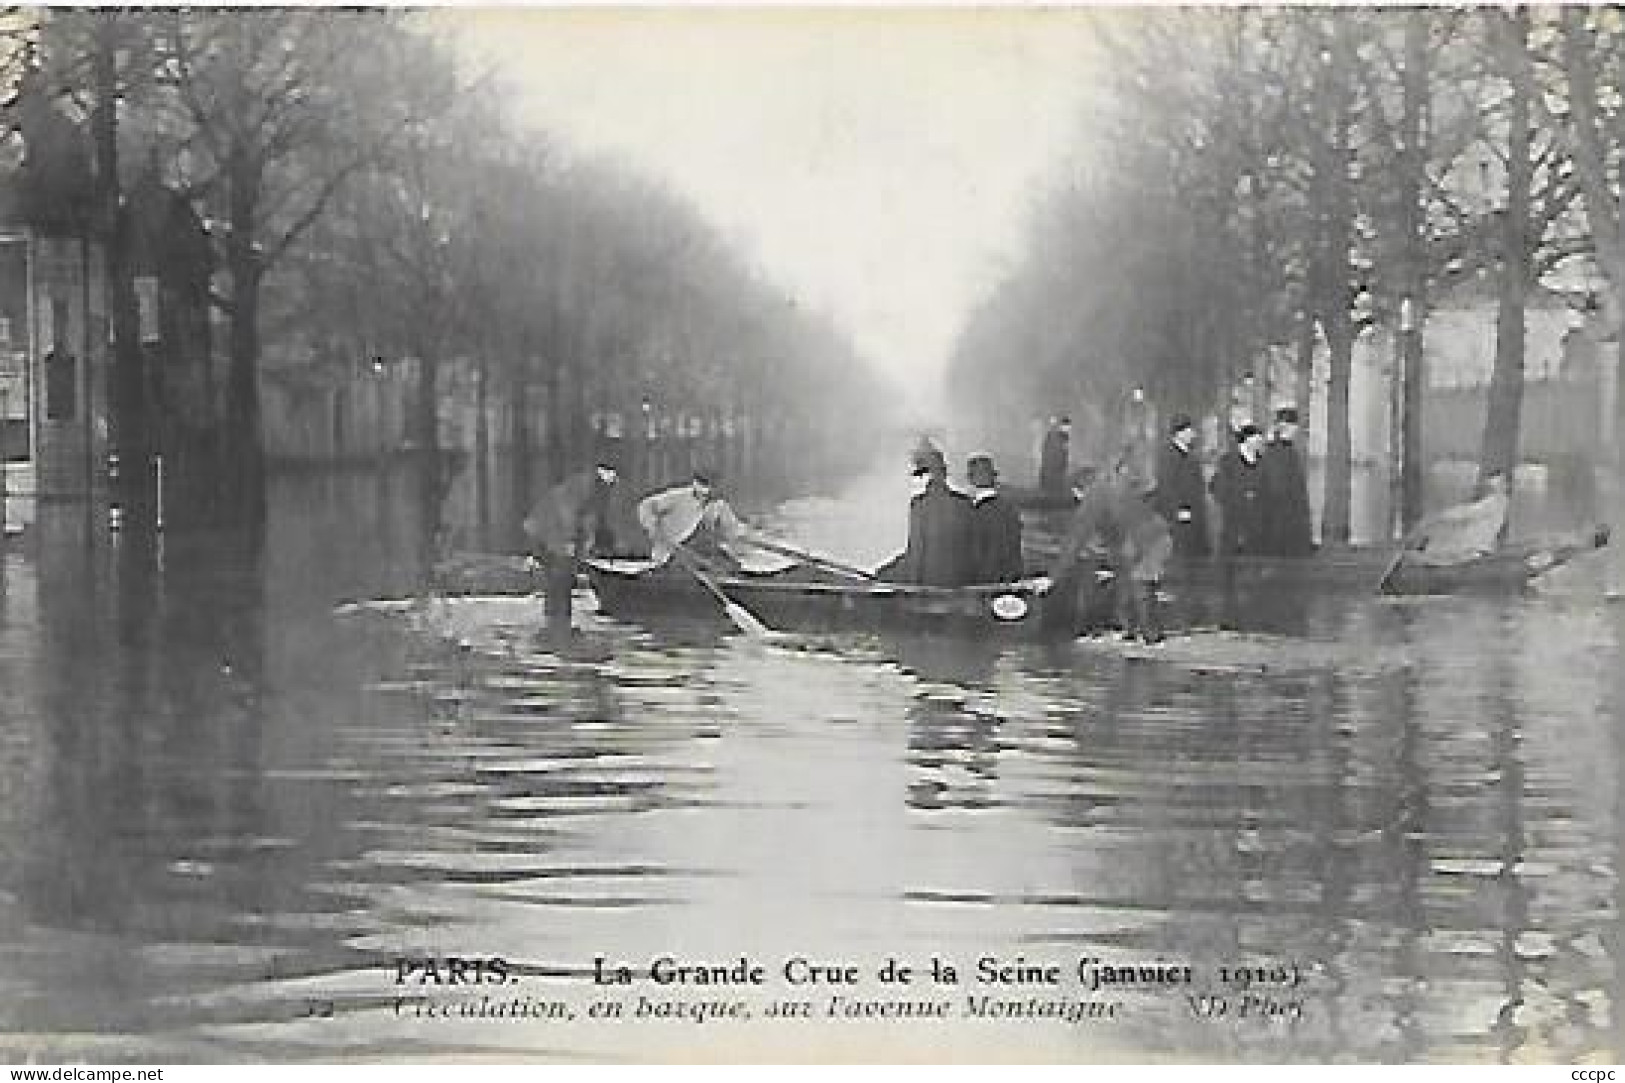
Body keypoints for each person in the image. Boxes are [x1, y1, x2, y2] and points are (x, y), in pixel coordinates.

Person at [1042, 455, 1173, 643]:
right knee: (1128, 583)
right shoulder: (1110, 487)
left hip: (1148, 542)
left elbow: (1076, 541)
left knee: (1139, 585)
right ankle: (1131, 633)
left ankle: (1151, 638)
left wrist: (1052, 578)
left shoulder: (1094, 497)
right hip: (1153, 536)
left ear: (1078, 490)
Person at [522, 438, 622, 646]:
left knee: (563, 578)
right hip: (548, 531)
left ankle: (559, 625)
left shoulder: (597, 488)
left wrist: (590, 542)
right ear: (602, 470)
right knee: (560, 578)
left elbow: (591, 519)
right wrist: (567, 541)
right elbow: (566, 511)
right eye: (611, 472)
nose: (614, 478)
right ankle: (556, 627)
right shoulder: (586, 485)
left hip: (554, 533)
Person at [636, 469, 787, 574]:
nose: (705, 490)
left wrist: (756, 535)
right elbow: (645, 506)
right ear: (695, 483)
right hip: (672, 553)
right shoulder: (677, 497)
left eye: (709, 486)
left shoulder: (718, 505)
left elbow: (734, 530)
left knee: (731, 567)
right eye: (702, 484)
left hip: (698, 553)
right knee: (697, 565)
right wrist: (653, 528)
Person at [876, 445, 972, 587]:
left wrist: (887, 575)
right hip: (960, 582)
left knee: (881, 576)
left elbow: (916, 551)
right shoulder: (964, 503)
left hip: (929, 583)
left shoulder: (921, 504)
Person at [1406, 472, 1510, 566]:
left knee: (1443, 537)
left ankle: (1422, 550)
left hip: (1476, 540)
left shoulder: (1496, 501)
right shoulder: (1497, 500)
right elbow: (1469, 511)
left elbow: (1468, 513)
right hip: (1479, 537)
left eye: (1500, 483)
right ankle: (1422, 548)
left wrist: (1440, 516)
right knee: (1443, 532)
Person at [1150, 413, 1210, 564]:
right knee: (1178, 558)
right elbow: (1166, 488)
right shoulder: (1167, 457)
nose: (1193, 435)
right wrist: (1177, 510)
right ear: (1179, 433)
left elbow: (1199, 488)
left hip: (1195, 516)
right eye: (1189, 431)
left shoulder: (1193, 458)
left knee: (1195, 558)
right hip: (1175, 519)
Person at [1259, 406, 1314, 557]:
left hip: (1287, 512)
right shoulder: (1278, 451)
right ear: (1284, 426)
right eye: (1292, 426)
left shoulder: (1284, 449)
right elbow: (1278, 485)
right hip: (1283, 514)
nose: (1295, 430)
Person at [1210, 423, 1268, 559]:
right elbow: (1215, 487)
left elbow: (1267, 489)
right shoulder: (1227, 461)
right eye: (1256, 439)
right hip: (1233, 521)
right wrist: (1240, 495)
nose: (1259, 443)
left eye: (1260, 440)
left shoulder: (1262, 462)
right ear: (1246, 439)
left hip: (1256, 524)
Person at [965, 453, 1024, 584]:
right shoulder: (1010, 509)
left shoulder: (972, 513)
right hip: (1011, 585)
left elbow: (973, 556)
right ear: (994, 477)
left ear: (970, 480)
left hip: (982, 586)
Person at [1038, 416, 1073, 496]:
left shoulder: (1064, 437)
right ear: (1061, 426)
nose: (1067, 429)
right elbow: (1048, 451)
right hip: (1052, 468)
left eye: (1068, 427)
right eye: (1066, 426)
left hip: (1057, 468)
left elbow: (1064, 453)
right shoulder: (1055, 436)